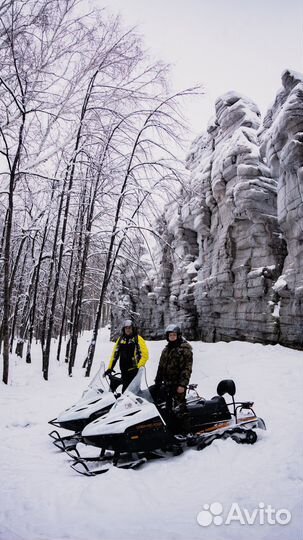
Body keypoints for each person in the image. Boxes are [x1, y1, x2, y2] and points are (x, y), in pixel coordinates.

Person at [104, 319, 149, 392]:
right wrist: (110, 368)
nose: (128, 330)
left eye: (129, 328)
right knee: (124, 392)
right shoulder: (121, 339)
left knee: (132, 393)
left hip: (134, 372)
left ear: (133, 329)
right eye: (126, 328)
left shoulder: (137, 339)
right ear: (124, 329)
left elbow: (145, 355)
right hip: (124, 371)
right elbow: (115, 354)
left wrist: (138, 367)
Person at [155, 324, 193, 406]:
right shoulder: (166, 350)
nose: (172, 337)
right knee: (166, 407)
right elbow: (161, 366)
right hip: (167, 384)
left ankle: (184, 418)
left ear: (178, 336)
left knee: (179, 408)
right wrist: (157, 381)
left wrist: (182, 385)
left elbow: (187, 369)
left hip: (177, 385)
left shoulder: (184, 350)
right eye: (170, 335)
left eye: (174, 335)